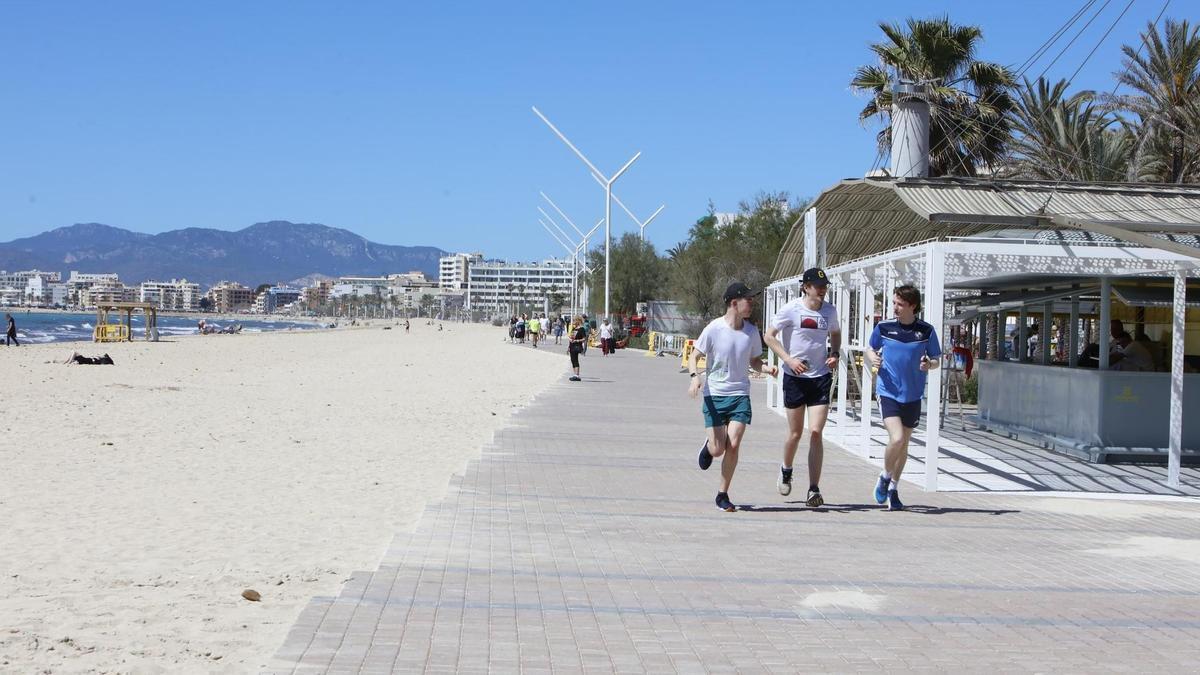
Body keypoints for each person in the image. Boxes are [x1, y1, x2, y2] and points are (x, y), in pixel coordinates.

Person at [691, 282, 779, 512]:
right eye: (748, 299)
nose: (752, 303)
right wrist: (694, 377)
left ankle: (722, 494)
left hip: (740, 395)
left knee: (734, 443)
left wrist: (766, 368)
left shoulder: (751, 332)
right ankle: (709, 447)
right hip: (714, 395)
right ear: (733, 303)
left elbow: (754, 360)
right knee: (718, 449)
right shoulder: (714, 328)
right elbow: (694, 355)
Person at [763, 267, 840, 507]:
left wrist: (835, 353)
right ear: (806, 287)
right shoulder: (791, 309)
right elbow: (769, 336)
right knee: (795, 433)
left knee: (816, 432)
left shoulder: (830, 311)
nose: (823, 290)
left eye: (825, 286)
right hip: (795, 378)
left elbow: (835, 333)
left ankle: (813, 489)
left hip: (820, 377)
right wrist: (788, 360)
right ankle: (786, 469)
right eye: (818, 286)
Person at [865, 285, 941, 512]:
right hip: (888, 392)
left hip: (913, 395)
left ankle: (893, 489)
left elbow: (936, 360)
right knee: (897, 438)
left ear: (912, 306)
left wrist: (929, 364)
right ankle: (885, 476)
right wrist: (873, 358)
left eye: (900, 304)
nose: (895, 308)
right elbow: (869, 349)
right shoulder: (884, 327)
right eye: (894, 303)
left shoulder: (926, 331)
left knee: (904, 444)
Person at [567, 315, 587, 381]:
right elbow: (571, 337)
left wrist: (577, 340)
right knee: (572, 360)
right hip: (572, 346)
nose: (573, 322)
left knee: (575, 360)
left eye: (574, 320)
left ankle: (577, 375)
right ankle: (575, 374)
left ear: (578, 321)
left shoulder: (581, 329)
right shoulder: (574, 328)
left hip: (577, 346)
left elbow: (584, 338)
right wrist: (568, 346)